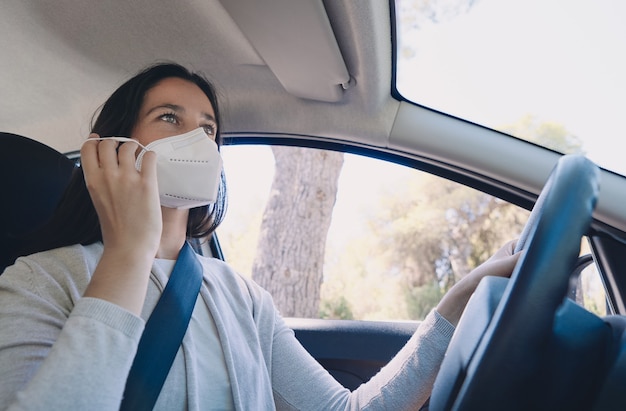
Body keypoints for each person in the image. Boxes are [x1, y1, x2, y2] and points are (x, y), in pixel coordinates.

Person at [0, 62, 520, 410]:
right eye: (168, 117)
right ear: (112, 148)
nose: (197, 140)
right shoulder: (42, 280)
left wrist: (459, 300)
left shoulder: (241, 296)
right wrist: (131, 252)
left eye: (207, 129)